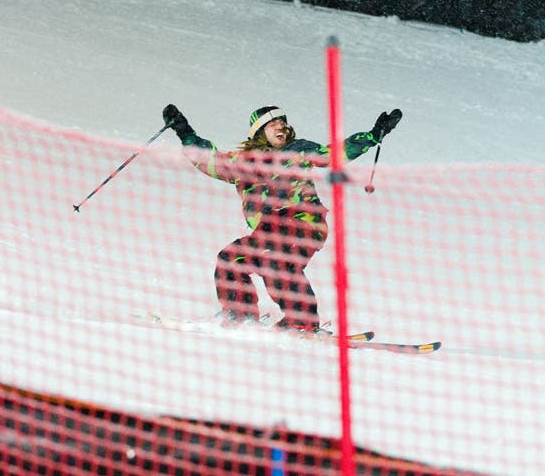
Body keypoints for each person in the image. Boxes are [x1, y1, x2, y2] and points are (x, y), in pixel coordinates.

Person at [162, 103, 402, 333]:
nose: (280, 128)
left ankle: (304, 324)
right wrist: (183, 129)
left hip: (303, 221)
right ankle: (240, 316)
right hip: (268, 231)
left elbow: (333, 154)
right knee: (230, 259)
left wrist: (371, 136)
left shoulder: (297, 150)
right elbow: (209, 160)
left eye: (282, 123)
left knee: (275, 259)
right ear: (258, 133)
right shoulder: (243, 163)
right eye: (272, 124)